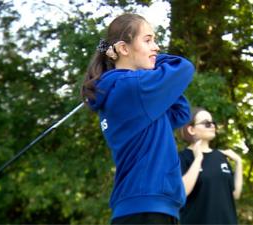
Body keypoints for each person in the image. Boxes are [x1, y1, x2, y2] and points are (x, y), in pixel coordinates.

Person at [81, 13, 195, 224]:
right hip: (146, 210)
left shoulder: (131, 91)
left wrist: (144, 60)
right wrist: (152, 62)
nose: (157, 47)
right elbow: (183, 67)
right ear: (124, 48)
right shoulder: (133, 87)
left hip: (146, 208)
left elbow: (180, 113)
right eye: (148, 40)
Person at [178, 107, 243, 224]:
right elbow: (182, 192)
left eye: (213, 122)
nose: (212, 125)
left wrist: (239, 163)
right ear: (191, 129)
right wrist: (198, 159)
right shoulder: (182, 158)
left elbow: (235, 194)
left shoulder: (220, 156)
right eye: (206, 123)